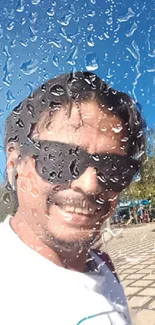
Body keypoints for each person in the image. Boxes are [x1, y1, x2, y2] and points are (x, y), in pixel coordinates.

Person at [0, 71, 145, 325]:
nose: (89, 185)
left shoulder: (101, 264)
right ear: (14, 161)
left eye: (114, 170)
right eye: (61, 159)